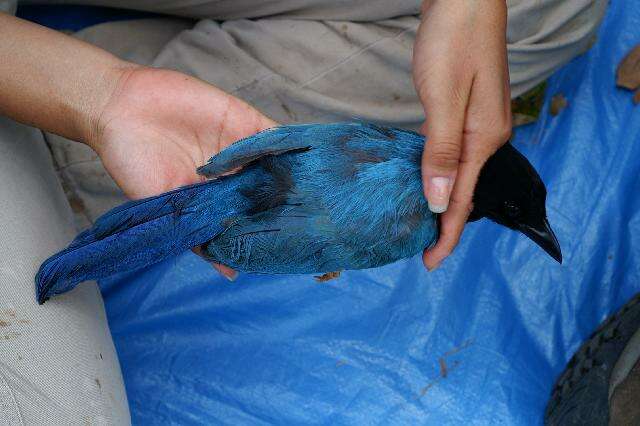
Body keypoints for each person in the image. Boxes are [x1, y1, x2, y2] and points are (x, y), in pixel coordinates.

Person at [0, 1, 608, 423]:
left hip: (238, 170)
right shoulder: (411, 226)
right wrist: (100, 99)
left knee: (556, 8)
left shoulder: (411, 151)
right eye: (515, 214)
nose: (523, 225)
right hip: (228, 187)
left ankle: (101, 83)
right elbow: (290, 233)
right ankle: (50, 149)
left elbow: (303, 148)